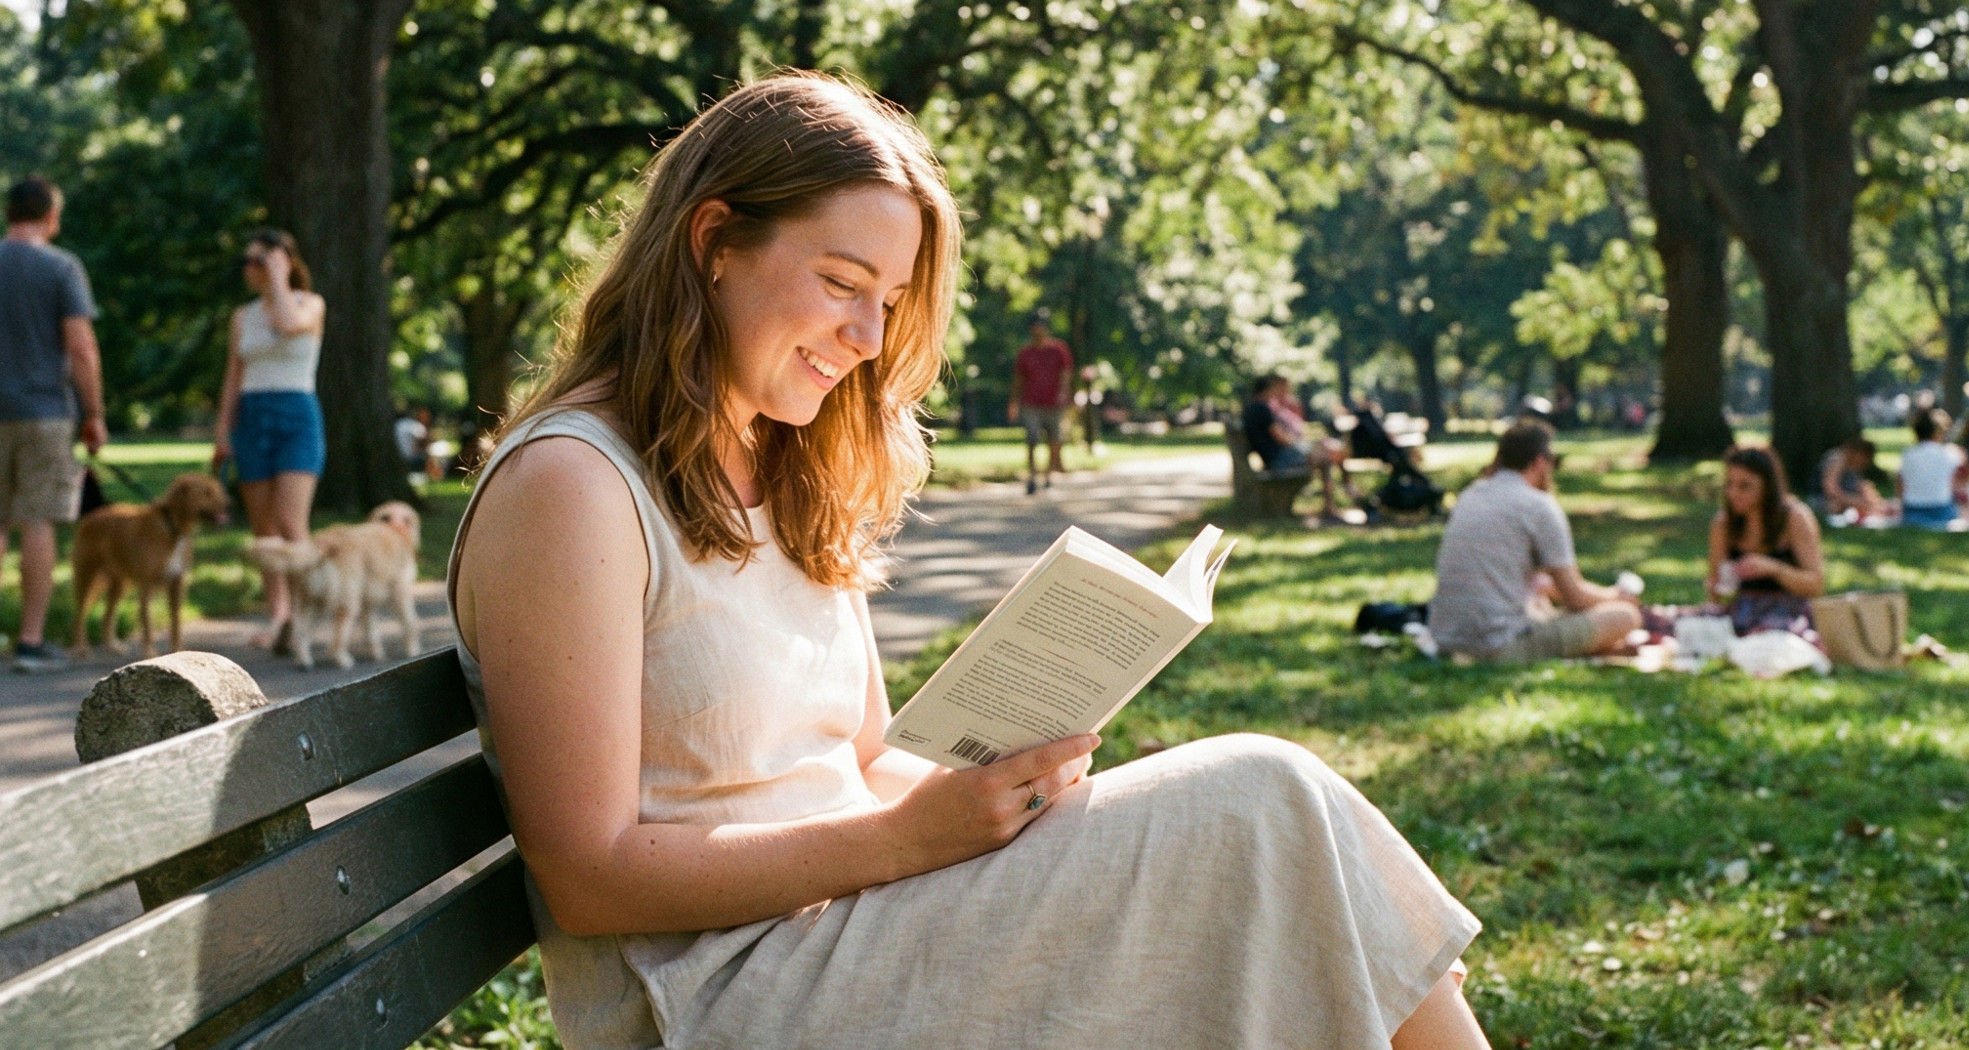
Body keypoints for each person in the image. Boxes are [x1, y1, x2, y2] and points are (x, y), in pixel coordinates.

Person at [448, 73, 1487, 1050]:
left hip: (847, 926)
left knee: (1265, 821)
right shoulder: (570, 488)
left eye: (889, 301)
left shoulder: (779, 462)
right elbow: (589, 876)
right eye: (842, 282)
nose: (866, 334)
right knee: (1263, 799)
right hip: (722, 997)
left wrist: (1017, 793)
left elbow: (856, 763)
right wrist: (908, 841)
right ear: (714, 239)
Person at [0, 176, 107, 672]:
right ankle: (29, 641)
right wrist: (94, 414)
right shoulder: (62, 267)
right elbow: (82, 347)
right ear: (51, 217)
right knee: (37, 521)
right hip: (43, 411)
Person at [1430, 421, 1640, 662]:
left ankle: (1595, 645)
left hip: (1446, 640)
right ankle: (1598, 645)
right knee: (1625, 616)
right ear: (1540, 461)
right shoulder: (1539, 505)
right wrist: (1616, 596)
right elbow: (1576, 596)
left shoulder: (1470, 495)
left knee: (1548, 608)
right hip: (1498, 646)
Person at [212, 229, 326, 648]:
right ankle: (278, 616)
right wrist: (223, 429)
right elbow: (233, 374)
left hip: (297, 414)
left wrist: (279, 279)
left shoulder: (310, 305)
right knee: (264, 527)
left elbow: (289, 324)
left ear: (284, 262)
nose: (250, 268)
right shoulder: (242, 316)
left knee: (292, 524)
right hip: (252, 415)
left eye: (259, 260)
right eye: (248, 261)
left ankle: (304, 615)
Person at [1708, 446, 1824, 636]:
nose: (1733, 493)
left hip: (1788, 614)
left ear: (1768, 486)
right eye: (1729, 484)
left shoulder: (1794, 517)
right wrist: (1718, 586)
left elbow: (1816, 586)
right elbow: (1716, 594)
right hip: (1741, 612)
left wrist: (1773, 568)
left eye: (1744, 486)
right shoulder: (1723, 524)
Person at [1242, 373, 1349, 519]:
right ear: (1267, 389)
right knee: (1325, 457)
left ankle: (1337, 499)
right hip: (1278, 460)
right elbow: (1281, 438)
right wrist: (1300, 443)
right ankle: (1335, 503)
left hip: (1274, 457)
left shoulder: (1252, 408)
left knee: (1325, 452)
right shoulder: (1261, 409)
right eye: (1273, 388)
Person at [1008, 310, 1071, 494]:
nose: (1038, 332)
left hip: (1054, 403)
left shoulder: (1059, 349)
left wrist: (1064, 393)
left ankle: (1049, 474)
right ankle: (1032, 475)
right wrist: (1013, 402)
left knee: (1054, 439)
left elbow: (1066, 373)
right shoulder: (1026, 353)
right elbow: (1019, 379)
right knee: (1032, 438)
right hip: (1031, 403)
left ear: (1046, 329)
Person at [1897, 407, 1963, 530]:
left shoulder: (1908, 454)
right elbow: (1957, 483)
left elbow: (1900, 483)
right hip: (1942, 509)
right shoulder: (1949, 453)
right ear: (1938, 432)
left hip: (1913, 510)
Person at [1818, 436, 1890, 521]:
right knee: (1835, 506)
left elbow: (1862, 486)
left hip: (1848, 499)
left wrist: (1876, 502)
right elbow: (1831, 490)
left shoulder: (1853, 466)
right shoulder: (1837, 459)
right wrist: (1856, 502)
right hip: (1823, 499)